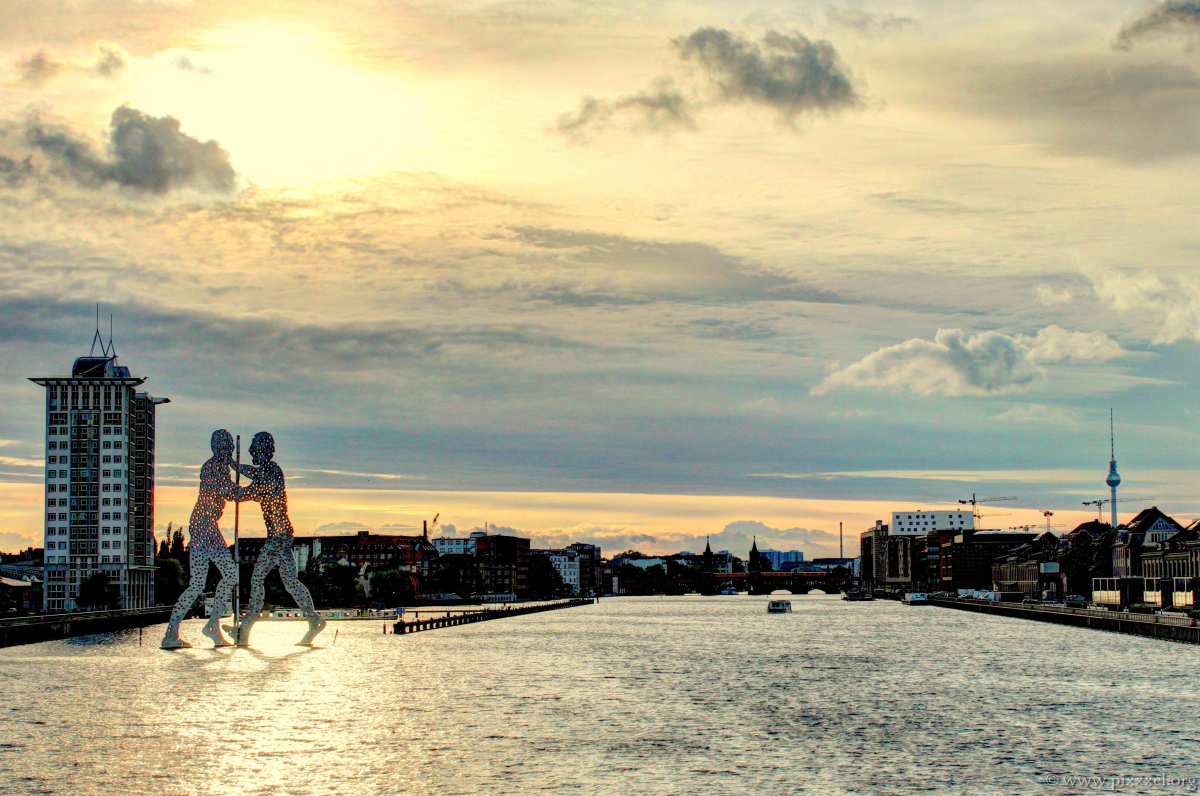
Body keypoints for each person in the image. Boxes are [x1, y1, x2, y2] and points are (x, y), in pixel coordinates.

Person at [232, 432, 326, 646]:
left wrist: (231, 479)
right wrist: (234, 467)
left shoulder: (272, 472)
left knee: (257, 578)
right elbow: (252, 476)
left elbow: (248, 490)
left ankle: (245, 629)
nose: (250, 452)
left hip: (278, 537)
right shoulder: (267, 472)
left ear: (262, 450)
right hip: (282, 536)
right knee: (291, 582)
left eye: (254, 449)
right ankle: (314, 619)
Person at [161, 430, 239, 649]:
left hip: (201, 526)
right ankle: (212, 625)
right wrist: (255, 490)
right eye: (226, 447)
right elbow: (229, 491)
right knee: (230, 574)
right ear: (218, 448)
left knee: (197, 584)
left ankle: (172, 633)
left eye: (230, 447)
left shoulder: (217, 466)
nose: (229, 450)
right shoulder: (214, 467)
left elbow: (228, 491)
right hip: (205, 527)